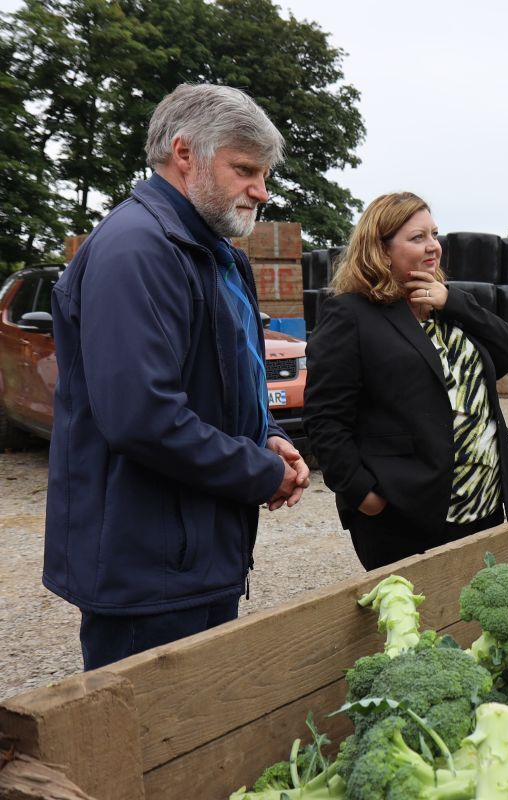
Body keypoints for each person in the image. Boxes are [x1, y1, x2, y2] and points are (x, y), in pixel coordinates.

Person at [43, 84, 309, 670]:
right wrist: (259, 473)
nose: (261, 191)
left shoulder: (212, 252)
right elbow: (143, 418)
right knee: (146, 750)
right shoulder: (138, 249)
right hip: (148, 571)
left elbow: (223, 380)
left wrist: (268, 436)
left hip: (191, 557)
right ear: (183, 153)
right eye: (244, 169)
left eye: (263, 173)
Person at [303, 192, 508, 570]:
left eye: (434, 235)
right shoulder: (351, 315)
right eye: (417, 237)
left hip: (483, 506)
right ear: (382, 249)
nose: (433, 246)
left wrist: (454, 301)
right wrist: (363, 494)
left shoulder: (447, 306)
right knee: (420, 624)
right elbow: (325, 419)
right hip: (408, 515)